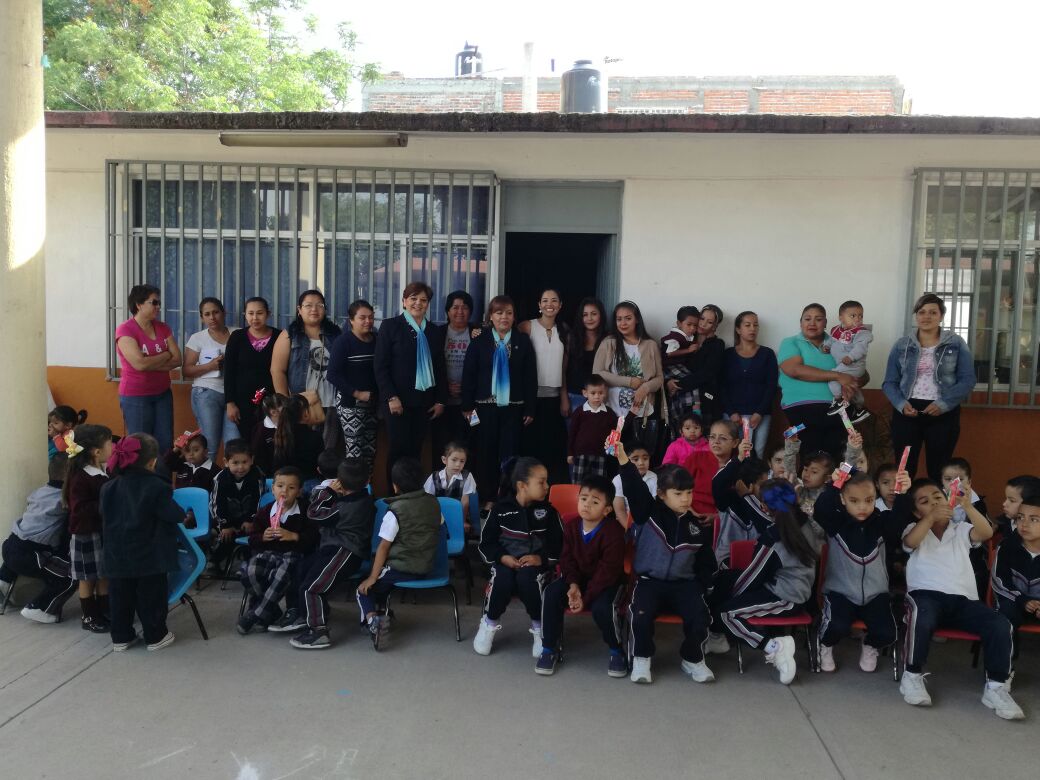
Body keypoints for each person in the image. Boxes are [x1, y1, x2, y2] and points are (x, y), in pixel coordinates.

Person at [899, 478, 1022, 719]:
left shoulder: (961, 530)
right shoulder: (914, 529)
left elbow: (986, 532)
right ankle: (912, 675)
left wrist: (966, 506)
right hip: (925, 595)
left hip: (963, 600)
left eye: (938, 498)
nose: (934, 504)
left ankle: (996, 686)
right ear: (916, 512)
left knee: (1000, 624)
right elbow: (910, 541)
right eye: (925, 502)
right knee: (921, 615)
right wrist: (929, 518)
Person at [618, 443, 717, 684]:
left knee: (700, 616)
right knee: (640, 615)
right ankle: (642, 657)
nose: (686, 499)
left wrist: (704, 587)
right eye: (678, 493)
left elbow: (706, 562)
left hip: (684, 584)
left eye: (689, 493)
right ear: (662, 494)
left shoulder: (696, 526)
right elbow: (634, 486)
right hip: (649, 582)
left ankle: (692, 659)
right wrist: (622, 456)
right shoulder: (647, 512)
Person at [715, 479, 818, 685]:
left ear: (765, 506)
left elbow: (751, 579)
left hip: (786, 597)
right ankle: (714, 635)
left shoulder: (772, 538)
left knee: (726, 612)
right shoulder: (805, 522)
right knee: (726, 581)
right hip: (795, 589)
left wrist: (729, 593)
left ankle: (774, 647)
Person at [814, 469, 910, 673]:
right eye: (854, 501)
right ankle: (825, 645)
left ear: (875, 497)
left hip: (876, 594)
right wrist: (835, 484)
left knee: (888, 632)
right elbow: (821, 509)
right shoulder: (835, 522)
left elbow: (900, 520)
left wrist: (903, 493)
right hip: (840, 592)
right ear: (842, 499)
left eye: (869, 500)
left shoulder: (882, 522)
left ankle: (870, 644)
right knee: (836, 626)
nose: (862, 507)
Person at [100, 434, 185, 652]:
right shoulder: (156, 486)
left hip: (116, 555)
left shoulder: (108, 487)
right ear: (152, 462)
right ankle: (156, 636)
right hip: (149, 556)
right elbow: (172, 514)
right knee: (151, 598)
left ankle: (121, 636)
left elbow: (104, 515)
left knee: (120, 597)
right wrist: (183, 513)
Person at [536, 475, 627, 677]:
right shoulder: (570, 526)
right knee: (551, 593)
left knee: (602, 607)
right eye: (583, 498)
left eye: (595, 502)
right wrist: (573, 585)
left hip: (607, 583)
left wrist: (585, 598)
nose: (587, 505)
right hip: (577, 579)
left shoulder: (614, 532)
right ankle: (548, 648)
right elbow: (566, 560)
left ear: (607, 510)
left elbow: (608, 572)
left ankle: (616, 650)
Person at [473, 458, 563, 657]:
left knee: (527, 578)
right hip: (505, 563)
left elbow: (560, 546)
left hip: (536, 568)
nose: (547, 486)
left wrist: (541, 559)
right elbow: (486, 543)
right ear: (522, 485)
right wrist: (502, 557)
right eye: (541, 482)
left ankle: (540, 628)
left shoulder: (549, 512)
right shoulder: (500, 510)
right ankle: (489, 623)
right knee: (502, 578)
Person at [883, 293, 975, 482]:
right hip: (907, 411)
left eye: (933, 312)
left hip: (943, 411)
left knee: (939, 468)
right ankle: (904, 508)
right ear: (916, 315)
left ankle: (939, 509)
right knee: (904, 468)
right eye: (922, 312)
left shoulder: (955, 343)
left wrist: (943, 404)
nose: (926, 317)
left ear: (941, 316)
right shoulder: (902, 345)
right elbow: (889, 382)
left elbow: (967, 379)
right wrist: (901, 404)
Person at [287, 458, 375, 650]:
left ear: (340, 482)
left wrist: (328, 492)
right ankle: (308, 614)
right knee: (302, 569)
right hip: (333, 548)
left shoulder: (343, 508)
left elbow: (313, 513)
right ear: (368, 481)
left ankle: (318, 632)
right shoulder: (364, 498)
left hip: (346, 551)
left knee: (312, 588)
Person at [356, 457, 443, 647]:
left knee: (363, 589)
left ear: (395, 486)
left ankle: (372, 622)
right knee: (380, 585)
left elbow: (383, 547)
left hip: (403, 568)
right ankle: (382, 613)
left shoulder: (395, 510)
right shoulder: (433, 502)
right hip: (427, 565)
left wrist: (372, 576)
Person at [461, 295, 537, 503]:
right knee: (484, 453)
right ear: (491, 317)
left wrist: (530, 408)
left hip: (514, 408)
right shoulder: (479, 341)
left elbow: (530, 377)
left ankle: (507, 497)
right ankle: (486, 498)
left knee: (510, 454)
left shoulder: (523, 341)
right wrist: (467, 407)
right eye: (499, 312)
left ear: (514, 317)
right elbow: (469, 375)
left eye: (509, 313)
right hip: (483, 408)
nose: (504, 317)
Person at [373, 282, 448, 483]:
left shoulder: (434, 331)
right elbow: (380, 366)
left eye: (423, 300)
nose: (418, 303)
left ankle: (412, 494)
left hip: (424, 402)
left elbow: (440, 368)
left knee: (416, 450)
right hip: (396, 402)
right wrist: (391, 396)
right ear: (404, 301)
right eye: (413, 299)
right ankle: (394, 494)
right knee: (398, 450)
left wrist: (441, 400)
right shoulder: (390, 326)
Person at [237, 467, 317, 634]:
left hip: (292, 554)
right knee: (249, 570)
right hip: (268, 553)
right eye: (280, 486)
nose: (284, 491)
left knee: (280, 575)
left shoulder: (305, 511)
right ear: (272, 489)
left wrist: (294, 536)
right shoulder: (265, 511)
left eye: (291, 488)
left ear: (299, 491)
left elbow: (313, 539)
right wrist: (262, 537)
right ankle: (269, 611)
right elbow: (252, 538)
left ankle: (254, 615)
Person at [778, 304, 859, 464]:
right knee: (810, 456)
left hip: (837, 409)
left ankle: (832, 489)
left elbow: (861, 373)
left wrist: (851, 382)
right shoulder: (790, 342)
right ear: (800, 323)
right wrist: (838, 376)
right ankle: (807, 488)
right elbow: (794, 369)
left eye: (818, 319)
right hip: (801, 409)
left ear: (826, 323)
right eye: (807, 319)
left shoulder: (838, 344)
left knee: (836, 458)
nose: (812, 323)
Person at [1, 454, 76, 624]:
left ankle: (3, 581)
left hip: (9, 545)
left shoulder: (39, 491)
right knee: (70, 576)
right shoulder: (64, 500)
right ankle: (39, 607)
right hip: (32, 555)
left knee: (19, 546)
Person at [270, 289, 343, 450]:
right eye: (308, 305)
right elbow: (277, 370)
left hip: (331, 404)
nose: (314, 309)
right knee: (302, 450)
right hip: (300, 406)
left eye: (319, 305)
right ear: (299, 310)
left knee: (328, 453)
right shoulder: (289, 335)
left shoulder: (336, 334)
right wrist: (285, 404)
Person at [114, 284, 180, 452]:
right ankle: (141, 479)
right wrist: (165, 355)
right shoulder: (126, 329)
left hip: (163, 393)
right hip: (136, 396)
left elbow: (178, 359)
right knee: (141, 445)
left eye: (159, 303)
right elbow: (139, 364)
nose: (158, 307)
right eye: (154, 302)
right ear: (139, 304)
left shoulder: (163, 327)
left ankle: (161, 478)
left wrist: (150, 362)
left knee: (165, 443)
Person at [63, 424, 113, 633]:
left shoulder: (101, 472)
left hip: (100, 532)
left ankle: (105, 610)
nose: (113, 447)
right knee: (87, 578)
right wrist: (107, 502)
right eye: (110, 443)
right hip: (86, 535)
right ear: (96, 451)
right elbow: (81, 508)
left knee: (103, 574)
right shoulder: (81, 477)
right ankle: (89, 616)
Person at [593, 301, 663, 445]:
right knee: (612, 454)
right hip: (612, 413)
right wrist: (629, 381)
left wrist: (645, 388)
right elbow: (597, 373)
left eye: (628, 318)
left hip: (641, 414)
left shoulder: (650, 345)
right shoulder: (609, 343)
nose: (623, 323)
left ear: (637, 319)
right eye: (619, 319)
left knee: (636, 456)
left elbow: (660, 378)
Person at [519, 289, 570, 485]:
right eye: (545, 300)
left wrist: (564, 396)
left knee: (552, 446)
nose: (550, 304)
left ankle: (549, 489)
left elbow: (564, 367)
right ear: (539, 304)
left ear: (560, 305)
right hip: (530, 397)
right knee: (530, 445)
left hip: (554, 397)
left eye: (554, 300)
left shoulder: (565, 330)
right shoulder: (526, 326)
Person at [327, 299, 378, 474]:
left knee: (370, 451)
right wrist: (356, 393)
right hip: (351, 404)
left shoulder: (376, 339)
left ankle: (367, 491)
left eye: (371, 317)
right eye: (362, 317)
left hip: (373, 404)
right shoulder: (344, 342)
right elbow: (332, 374)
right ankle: (353, 494)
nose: (368, 321)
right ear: (351, 320)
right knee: (354, 452)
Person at [182, 297, 239, 449]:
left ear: (224, 313)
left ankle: (230, 473)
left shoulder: (238, 334)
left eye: (216, 312)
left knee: (234, 444)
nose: (212, 317)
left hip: (233, 395)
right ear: (201, 317)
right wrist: (210, 366)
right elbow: (186, 370)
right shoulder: (197, 338)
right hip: (207, 392)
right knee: (209, 444)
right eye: (207, 314)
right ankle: (205, 473)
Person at [223, 297, 281, 442]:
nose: (255, 318)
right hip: (243, 401)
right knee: (246, 441)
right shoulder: (237, 337)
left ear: (268, 314)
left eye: (260, 313)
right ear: (245, 315)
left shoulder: (279, 336)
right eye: (250, 313)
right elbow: (229, 371)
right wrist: (230, 403)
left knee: (271, 440)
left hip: (271, 399)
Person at [721, 311, 779, 458]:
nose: (752, 328)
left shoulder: (767, 354)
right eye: (747, 325)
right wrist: (731, 412)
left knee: (757, 453)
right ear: (738, 329)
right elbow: (721, 385)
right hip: (733, 415)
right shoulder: (727, 354)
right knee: (733, 454)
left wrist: (759, 412)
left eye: (755, 325)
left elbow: (771, 385)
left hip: (761, 414)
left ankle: (754, 482)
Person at [991, 483, 1040, 644]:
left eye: (1034, 520)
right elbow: (999, 581)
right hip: (1015, 601)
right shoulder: (1007, 546)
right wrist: (1023, 600)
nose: (1024, 524)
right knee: (1003, 617)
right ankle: (1004, 667)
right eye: (1020, 518)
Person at [434, 290, 479, 458]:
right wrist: (445, 388)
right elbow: (432, 367)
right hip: (443, 404)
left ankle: (469, 483)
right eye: (455, 307)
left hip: (473, 405)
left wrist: (466, 389)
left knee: (472, 441)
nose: (460, 312)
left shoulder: (478, 332)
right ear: (447, 311)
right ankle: (442, 483)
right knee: (443, 445)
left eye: (465, 307)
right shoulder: (437, 334)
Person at [208, 439, 265, 570]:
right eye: (235, 463)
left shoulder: (257, 476)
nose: (240, 467)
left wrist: (250, 519)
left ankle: (247, 565)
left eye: (244, 462)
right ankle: (215, 561)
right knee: (226, 537)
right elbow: (216, 504)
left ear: (251, 460)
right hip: (227, 519)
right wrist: (225, 525)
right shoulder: (220, 479)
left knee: (252, 537)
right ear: (226, 462)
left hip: (250, 519)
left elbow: (259, 501)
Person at [683, 419, 752, 520]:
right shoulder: (695, 458)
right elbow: (679, 488)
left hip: (729, 521)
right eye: (712, 437)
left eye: (723, 438)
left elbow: (743, 503)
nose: (716, 442)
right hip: (692, 514)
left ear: (735, 443)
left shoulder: (740, 464)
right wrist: (690, 511)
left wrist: (718, 517)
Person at [670, 304, 725, 425]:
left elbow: (707, 373)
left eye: (709, 322)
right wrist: (668, 382)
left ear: (715, 326)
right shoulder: (685, 339)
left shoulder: (717, 344)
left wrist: (679, 384)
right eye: (702, 318)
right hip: (680, 398)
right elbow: (669, 362)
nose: (703, 324)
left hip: (704, 399)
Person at [712, 456, 771, 567]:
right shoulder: (730, 501)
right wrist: (738, 459)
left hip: (756, 563)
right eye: (763, 485)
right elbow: (717, 483)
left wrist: (747, 497)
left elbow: (770, 529)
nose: (768, 489)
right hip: (727, 562)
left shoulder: (767, 505)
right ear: (749, 486)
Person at [825, 300, 872, 423]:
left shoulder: (862, 332)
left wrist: (851, 356)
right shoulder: (836, 330)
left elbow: (861, 348)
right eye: (853, 316)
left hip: (854, 364)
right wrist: (827, 346)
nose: (858, 319)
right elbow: (832, 340)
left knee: (833, 377)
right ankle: (859, 410)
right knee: (850, 386)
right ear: (841, 317)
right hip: (846, 365)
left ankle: (839, 400)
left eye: (860, 315)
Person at [567, 374, 618, 483]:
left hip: (600, 455)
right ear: (585, 393)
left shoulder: (609, 414)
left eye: (600, 393)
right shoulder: (579, 412)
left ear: (605, 392)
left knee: (599, 484)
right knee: (578, 484)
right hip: (581, 455)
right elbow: (572, 434)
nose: (597, 396)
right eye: (593, 393)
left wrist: (612, 450)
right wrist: (570, 453)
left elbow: (616, 432)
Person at [565, 298, 609, 419]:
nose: (589, 318)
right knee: (575, 436)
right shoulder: (571, 337)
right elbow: (563, 371)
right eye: (585, 315)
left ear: (601, 315)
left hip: (599, 398)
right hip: (574, 396)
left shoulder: (609, 339)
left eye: (594, 314)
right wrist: (564, 398)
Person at [660, 306, 702, 432]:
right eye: (689, 324)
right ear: (679, 323)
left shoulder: (688, 336)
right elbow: (669, 353)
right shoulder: (674, 337)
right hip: (670, 367)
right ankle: (696, 409)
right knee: (691, 380)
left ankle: (685, 410)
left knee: (686, 384)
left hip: (678, 367)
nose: (692, 328)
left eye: (695, 325)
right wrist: (688, 350)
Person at [424, 442, 478, 531]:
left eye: (462, 461)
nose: (458, 464)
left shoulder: (467, 476)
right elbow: (428, 499)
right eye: (454, 460)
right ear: (444, 460)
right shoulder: (434, 477)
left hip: (459, 515)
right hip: (438, 516)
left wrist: (462, 521)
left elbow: (465, 502)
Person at [271, 394, 325, 481]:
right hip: (310, 482)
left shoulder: (280, 434)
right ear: (306, 413)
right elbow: (321, 466)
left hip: (286, 481)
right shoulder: (314, 436)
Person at [611, 443, 656, 525]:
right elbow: (619, 509)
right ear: (626, 460)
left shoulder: (654, 477)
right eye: (635, 460)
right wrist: (628, 528)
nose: (641, 463)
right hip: (625, 523)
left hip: (648, 524)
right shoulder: (617, 480)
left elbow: (654, 507)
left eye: (645, 458)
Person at [250, 391, 287, 477]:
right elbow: (258, 457)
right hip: (269, 476)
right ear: (273, 412)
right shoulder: (260, 430)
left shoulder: (290, 425)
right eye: (285, 409)